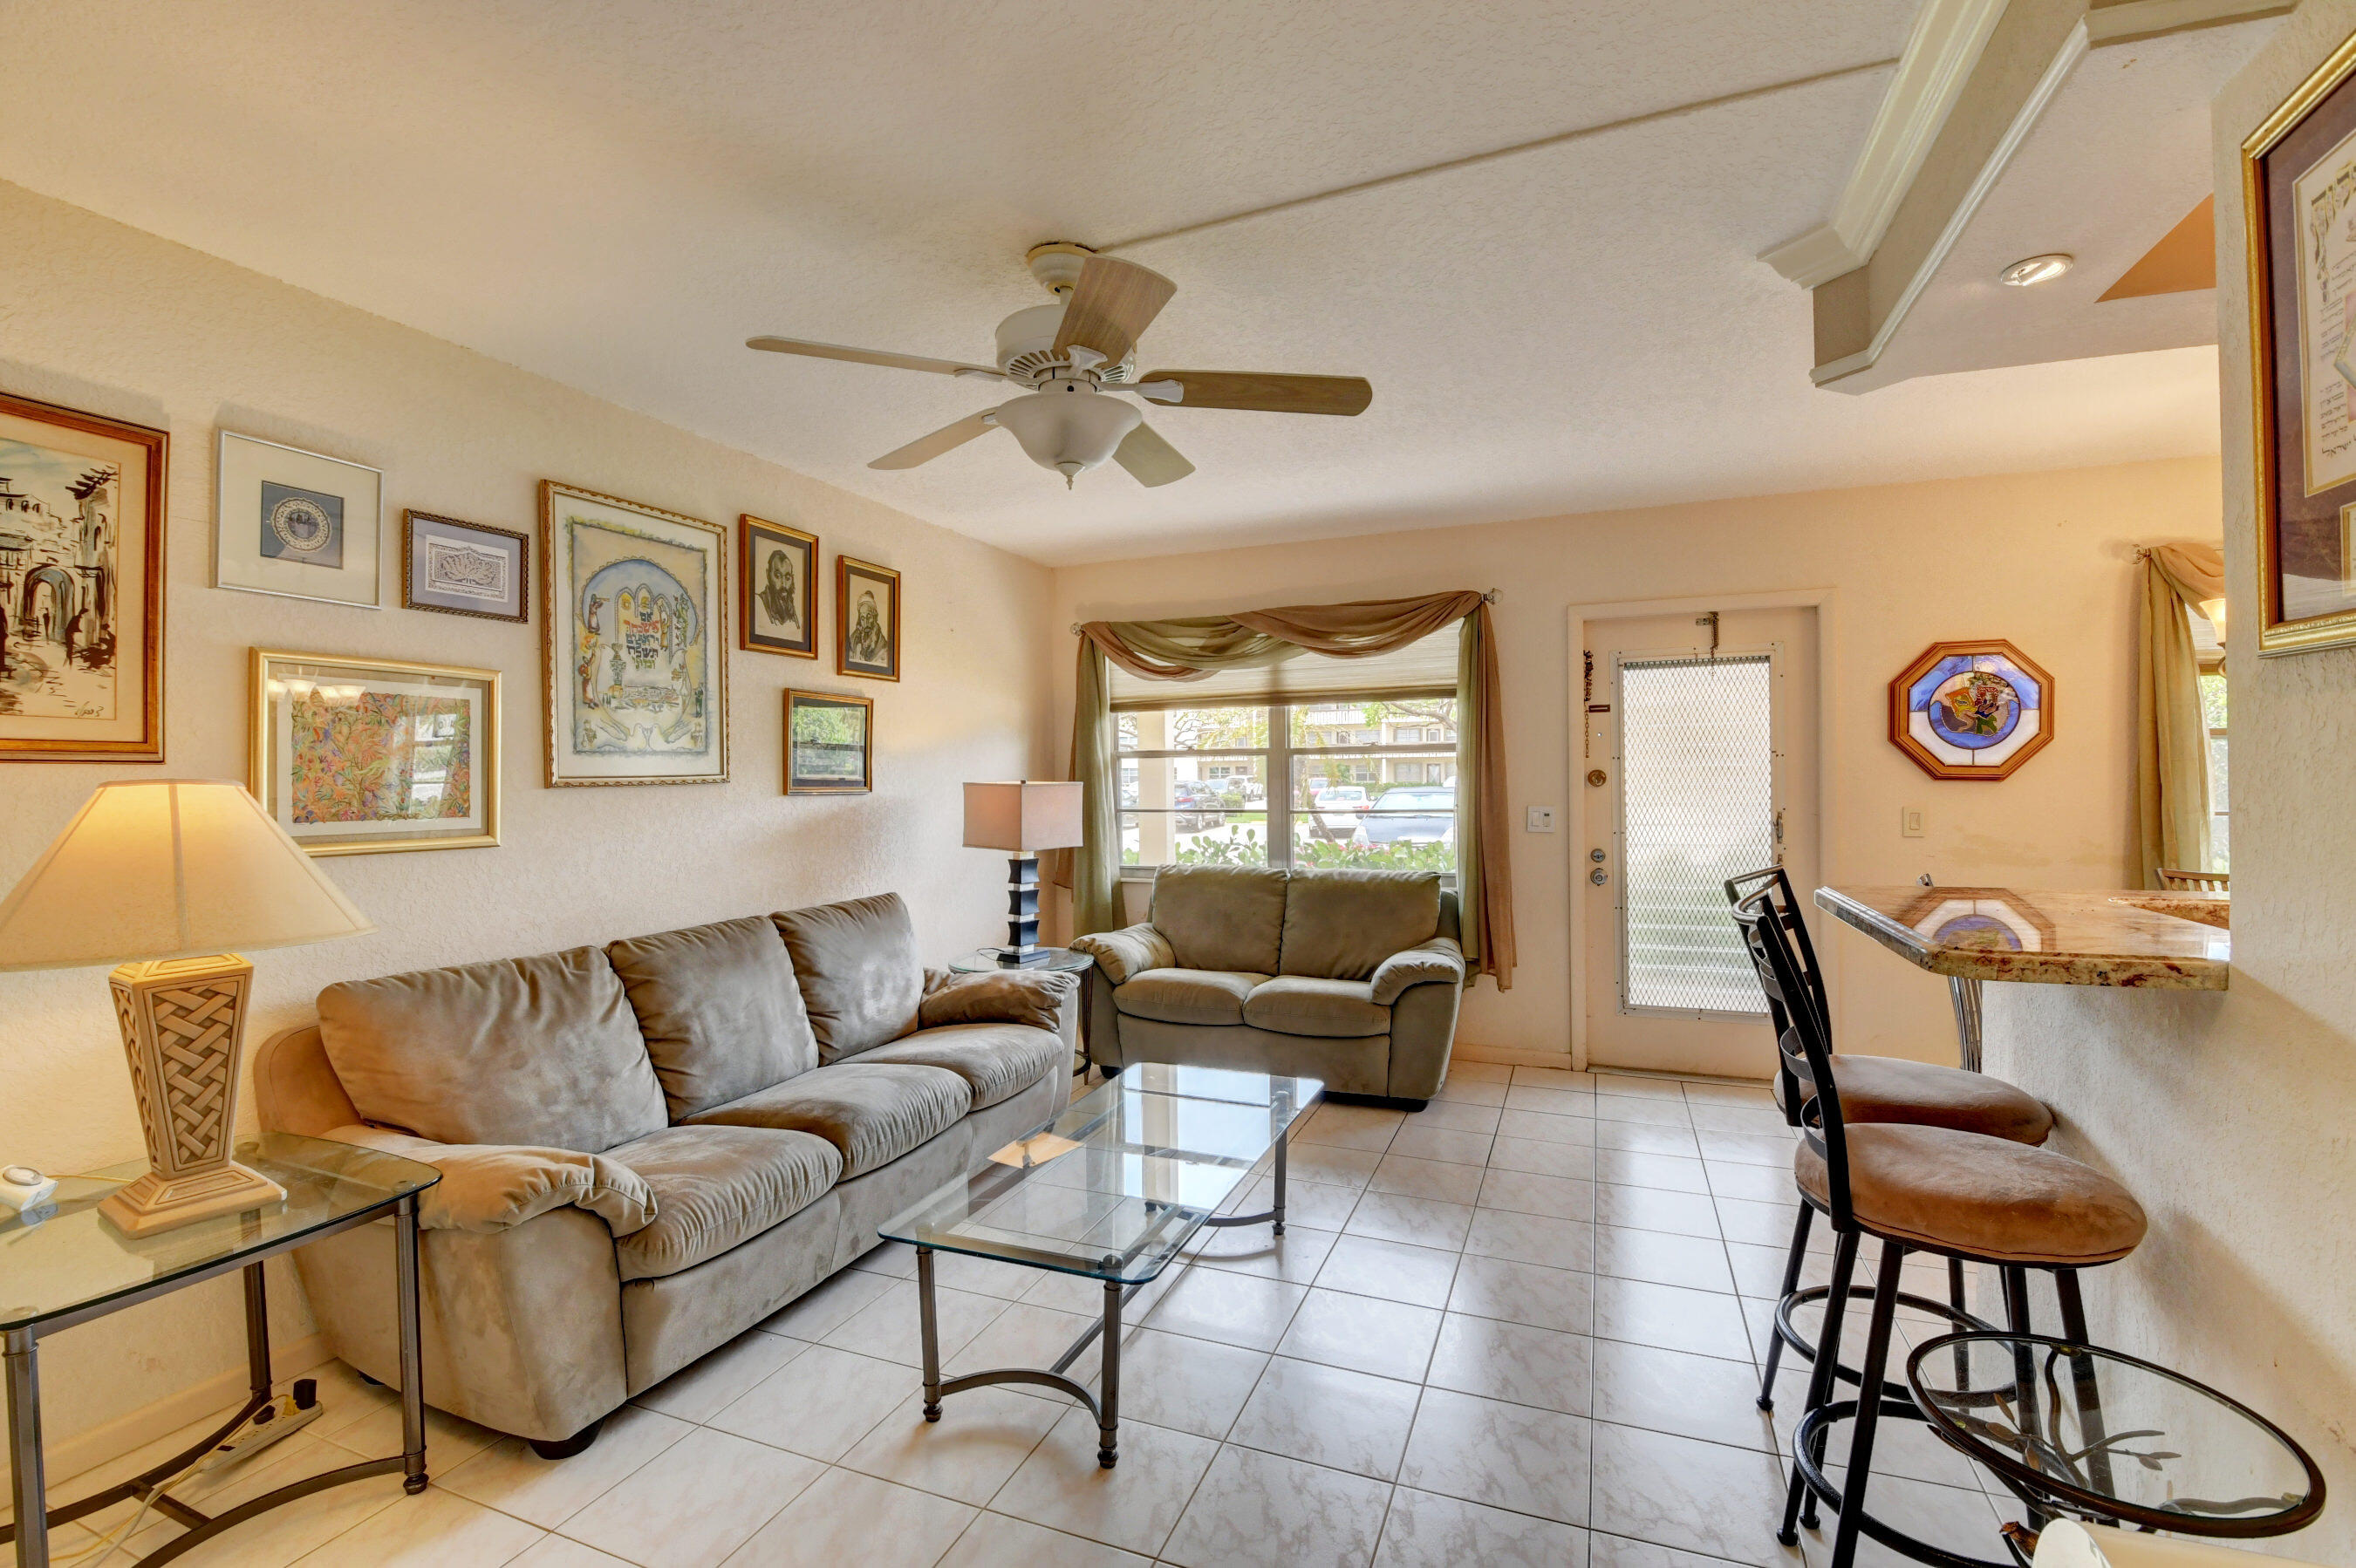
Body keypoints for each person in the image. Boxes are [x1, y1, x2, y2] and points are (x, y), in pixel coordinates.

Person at [759, 547, 799, 632]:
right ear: (768, 574)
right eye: (778, 576)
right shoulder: (758, 603)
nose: (783, 584)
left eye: (787, 578)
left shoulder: (793, 610)